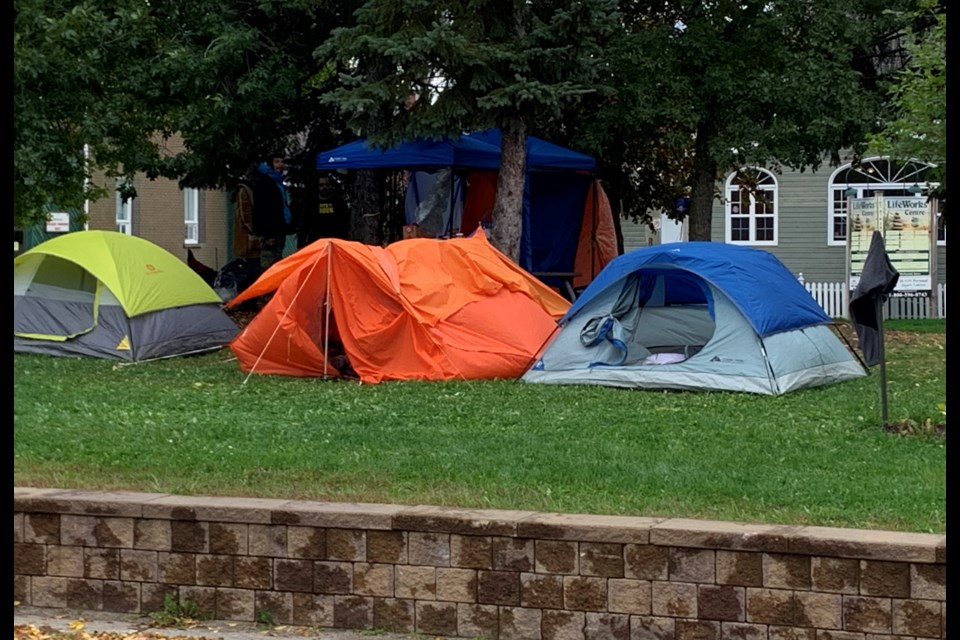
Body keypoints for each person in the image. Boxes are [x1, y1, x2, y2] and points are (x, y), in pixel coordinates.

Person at [252, 153, 293, 270]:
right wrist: (268, 234)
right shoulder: (266, 182)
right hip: (271, 232)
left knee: (276, 261)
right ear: (270, 164)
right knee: (268, 263)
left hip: (279, 230)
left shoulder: (277, 181)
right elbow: (264, 210)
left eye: (282, 162)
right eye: (277, 162)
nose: (280, 165)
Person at [298, 173, 350, 248]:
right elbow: (305, 224)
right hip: (315, 243)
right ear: (318, 187)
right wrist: (300, 243)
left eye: (327, 184)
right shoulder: (311, 204)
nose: (324, 187)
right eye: (321, 185)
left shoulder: (339, 203)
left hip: (335, 243)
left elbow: (345, 224)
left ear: (331, 186)